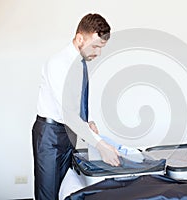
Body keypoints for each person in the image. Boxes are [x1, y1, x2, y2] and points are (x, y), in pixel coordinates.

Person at [32, 13, 120, 200]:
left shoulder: (79, 64)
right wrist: (100, 145)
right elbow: (68, 114)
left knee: (65, 189)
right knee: (47, 194)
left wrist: (87, 123)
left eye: (101, 47)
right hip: (51, 136)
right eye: (95, 46)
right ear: (80, 38)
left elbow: (73, 106)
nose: (98, 53)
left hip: (67, 133)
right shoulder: (58, 64)